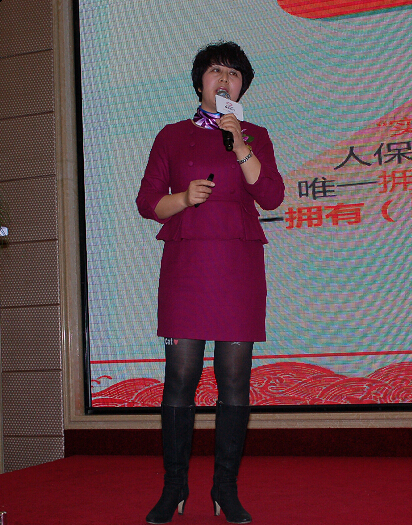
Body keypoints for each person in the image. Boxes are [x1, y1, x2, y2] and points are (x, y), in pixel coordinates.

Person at [137, 41, 284, 524]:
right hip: (188, 264)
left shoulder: (255, 135)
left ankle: (225, 488)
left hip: (237, 265)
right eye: (216, 71)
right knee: (179, 378)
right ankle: (174, 487)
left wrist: (239, 144)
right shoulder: (171, 135)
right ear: (199, 81)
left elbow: (271, 195)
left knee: (234, 381)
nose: (224, 79)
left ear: (242, 86)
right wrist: (183, 198)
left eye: (234, 74)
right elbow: (148, 202)